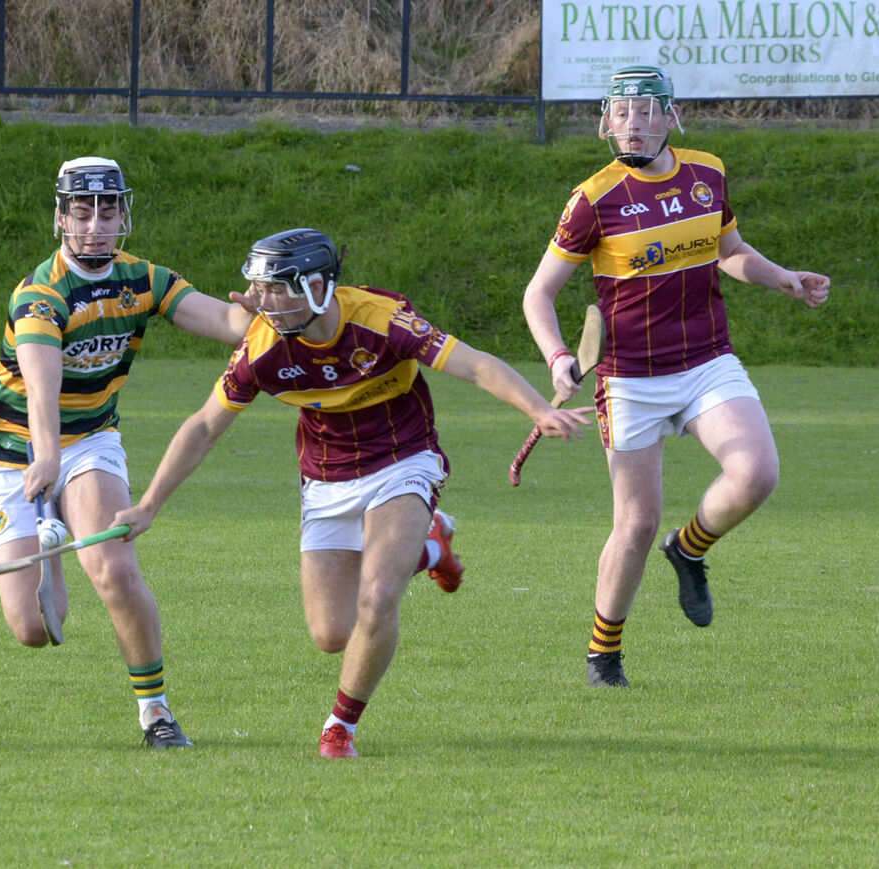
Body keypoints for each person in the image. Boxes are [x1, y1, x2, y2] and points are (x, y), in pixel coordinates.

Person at [112, 228, 594, 758]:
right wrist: (149, 504)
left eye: (276, 289)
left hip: (402, 461)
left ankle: (340, 727)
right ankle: (431, 546)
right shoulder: (261, 348)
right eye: (259, 289)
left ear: (317, 286)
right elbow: (205, 427)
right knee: (331, 633)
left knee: (378, 597)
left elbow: (475, 364)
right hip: (326, 480)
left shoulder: (381, 320)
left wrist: (538, 409)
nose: (262, 303)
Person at [522, 66, 831, 688]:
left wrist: (783, 278)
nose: (631, 125)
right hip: (631, 377)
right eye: (620, 113)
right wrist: (558, 357)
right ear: (606, 122)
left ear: (670, 116)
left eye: (643, 112)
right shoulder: (593, 199)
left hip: (706, 359)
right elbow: (540, 295)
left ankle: (689, 547)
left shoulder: (706, 173)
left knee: (756, 474)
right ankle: (603, 654)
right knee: (634, 524)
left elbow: (730, 251)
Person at [0, 156, 256, 748]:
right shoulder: (39, 295)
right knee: (32, 629)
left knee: (114, 566)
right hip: (16, 451)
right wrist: (44, 461)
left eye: (109, 211)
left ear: (124, 214)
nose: (97, 226)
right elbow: (42, 387)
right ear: (60, 218)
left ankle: (155, 713)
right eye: (84, 212)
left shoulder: (144, 278)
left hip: (92, 443)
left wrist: (259, 309)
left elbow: (227, 322)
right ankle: (51, 542)